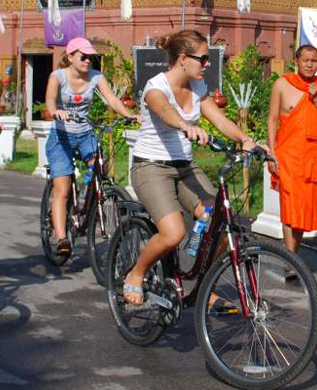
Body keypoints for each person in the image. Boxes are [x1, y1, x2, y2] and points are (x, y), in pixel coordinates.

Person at [122, 29, 265, 306]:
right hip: (151, 167)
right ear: (183, 59)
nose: (208, 63)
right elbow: (165, 111)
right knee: (174, 233)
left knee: (221, 224)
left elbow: (220, 121)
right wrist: (186, 125)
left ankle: (202, 288)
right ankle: (137, 273)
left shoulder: (198, 87)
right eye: (203, 58)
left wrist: (247, 140)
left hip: (185, 167)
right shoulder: (156, 87)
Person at [45, 37, 139, 257]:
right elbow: (50, 99)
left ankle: (88, 198)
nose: (88, 61)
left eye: (91, 57)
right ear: (70, 57)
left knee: (101, 168)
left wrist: (128, 114)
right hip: (61, 137)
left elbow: (112, 100)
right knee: (63, 187)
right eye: (83, 56)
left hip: (85, 133)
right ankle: (60, 237)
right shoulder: (58, 76)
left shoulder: (96, 77)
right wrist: (55, 111)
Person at [267, 45, 317, 255]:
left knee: (302, 209)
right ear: (296, 61)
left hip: (310, 155)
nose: (310, 65)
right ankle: (291, 259)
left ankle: (293, 255)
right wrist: (271, 154)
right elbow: (272, 120)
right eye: (306, 60)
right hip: (287, 155)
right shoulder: (282, 85)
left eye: (314, 61)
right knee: (290, 205)